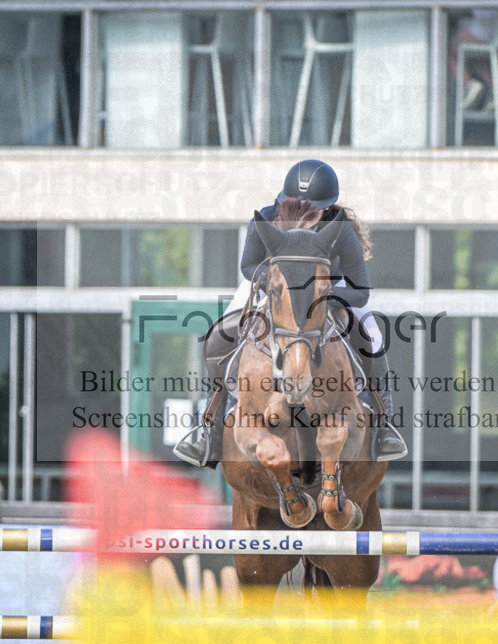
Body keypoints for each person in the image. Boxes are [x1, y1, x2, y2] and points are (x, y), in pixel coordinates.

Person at [174, 159, 409, 468]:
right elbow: (247, 266)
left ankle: (383, 425)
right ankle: (208, 428)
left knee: (373, 336)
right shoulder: (267, 219)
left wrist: (319, 293)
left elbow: (360, 289)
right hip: (272, 284)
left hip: (329, 287)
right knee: (220, 335)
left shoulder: (340, 229)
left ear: (328, 208)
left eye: (313, 209)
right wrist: (276, 285)